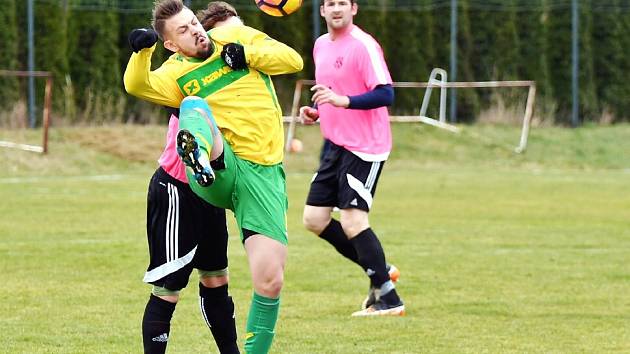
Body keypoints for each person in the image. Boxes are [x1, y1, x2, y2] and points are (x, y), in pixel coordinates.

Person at [124, 1, 303, 352]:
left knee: (268, 281)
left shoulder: (233, 36)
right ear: (171, 45)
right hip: (212, 172)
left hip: (261, 175)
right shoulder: (175, 72)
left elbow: (292, 60)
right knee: (194, 105)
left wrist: (247, 54)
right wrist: (142, 51)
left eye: (194, 23)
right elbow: (136, 85)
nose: (195, 30)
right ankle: (200, 156)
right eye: (183, 30)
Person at [299, 0, 404, 316]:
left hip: (365, 146)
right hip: (335, 144)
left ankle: (388, 298)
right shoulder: (320, 46)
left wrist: (342, 101)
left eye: (342, 3)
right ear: (322, 11)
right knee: (314, 219)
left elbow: (386, 93)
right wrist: (318, 113)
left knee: (353, 220)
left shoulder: (363, 45)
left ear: (354, 8)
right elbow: (335, 91)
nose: (336, 9)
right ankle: (380, 269)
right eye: (329, 3)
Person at [139, 105, 238, 354]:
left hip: (210, 191)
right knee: (168, 288)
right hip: (176, 189)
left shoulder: (232, 76)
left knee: (216, 279)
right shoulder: (184, 71)